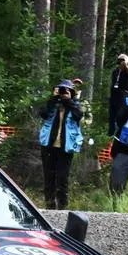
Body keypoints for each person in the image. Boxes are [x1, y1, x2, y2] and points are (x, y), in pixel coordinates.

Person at [38, 79, 85, 209]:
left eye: (67, 91)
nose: (63, 93)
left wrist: (69, 101)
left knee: (62, 179)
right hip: (48, 146)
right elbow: (43, 114)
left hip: (66, 147)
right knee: (49, 177)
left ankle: (62, 208)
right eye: (61, 90)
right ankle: (49, 206)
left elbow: (78, 115)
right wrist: (54, 99)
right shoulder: (52, 104)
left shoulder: (74, 105)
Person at [108, 54, 128, 136]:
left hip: (123, 95)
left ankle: (121, 132)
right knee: (112, 116)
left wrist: (125, 65)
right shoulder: (115, 71)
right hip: (114, 95)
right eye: (119, 60)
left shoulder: (127, 71)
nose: (120, 62)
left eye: (122, 60)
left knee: (121, 114)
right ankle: (111, 134)